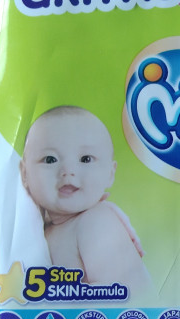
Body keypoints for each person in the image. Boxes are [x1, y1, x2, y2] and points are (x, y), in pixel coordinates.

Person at [20, 105, 152, 296]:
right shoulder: (45, 228)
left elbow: (121, 294)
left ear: (110, 174)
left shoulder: (96, 222)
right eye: (50, 159)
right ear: (25, 174)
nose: (68, 171)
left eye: (86, 159)